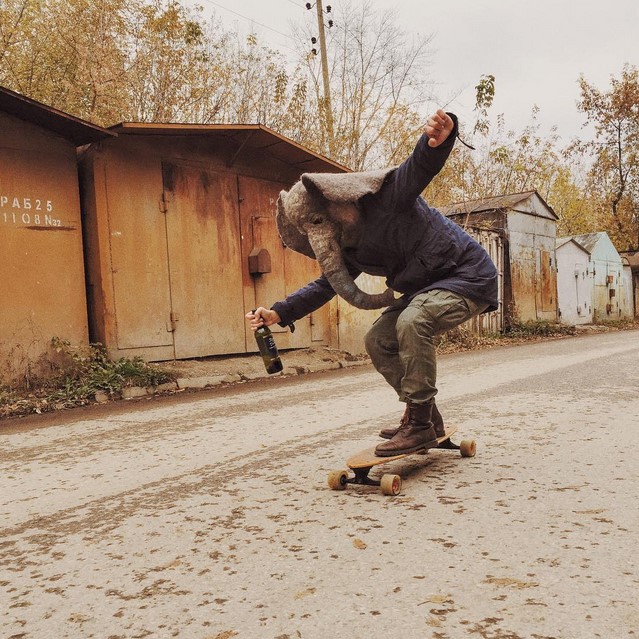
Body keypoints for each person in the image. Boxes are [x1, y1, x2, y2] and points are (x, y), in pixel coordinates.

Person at [247, 110, 498, 457]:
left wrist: (438, 140)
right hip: (425, 290)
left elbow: (418, 167)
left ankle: (419, 423)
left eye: (322, 223)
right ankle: (428, 418)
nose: (323, 236)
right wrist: (279, 312)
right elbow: (328, 284)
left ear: (336, 203)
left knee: (413, 321)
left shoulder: (386, 198)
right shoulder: (349, 242)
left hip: (468, 276)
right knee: (378, 339)